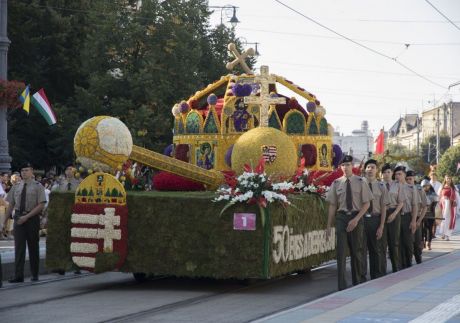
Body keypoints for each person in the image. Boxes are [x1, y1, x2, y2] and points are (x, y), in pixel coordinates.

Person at [326, 155, 372, 290]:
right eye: (343, 165)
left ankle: (356, 282)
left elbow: (367, 203)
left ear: (352, 166)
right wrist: (329, 224)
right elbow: (333, 205)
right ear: (340, 167)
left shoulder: (361, 181)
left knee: (356, 251)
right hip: (341, 218)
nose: (345, 168)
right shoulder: (336, 183)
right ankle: (341, 285)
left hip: (356, 217)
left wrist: (356, 219)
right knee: (340, 252)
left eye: (348, 165)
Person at [4, 163, 47, 283]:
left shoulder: (38, 186)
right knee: (19, 247)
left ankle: (34, 273)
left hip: (32, 218)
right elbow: (11, 204)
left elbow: (41, 204)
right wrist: (4, 221)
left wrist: (27, 216)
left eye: (26, 170)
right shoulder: (16, 186)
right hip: (18, 217)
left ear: (32, 171)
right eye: (22, 170)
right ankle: (18, 275)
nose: (23, 172)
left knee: (33, 246)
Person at [363, 159, 389, 279]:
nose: (370, 169)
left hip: (375, 219)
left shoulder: (381, 186)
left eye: (373, 167)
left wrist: (381, 226)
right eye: (368, 167)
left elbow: (384, 207)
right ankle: (361, 277)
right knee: (361, 250)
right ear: (365, 169)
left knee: (375, 250)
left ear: (376, 170)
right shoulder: (359, 184)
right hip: (362, 220)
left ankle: (376, 276)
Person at [395, 166, 420, 269]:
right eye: (396, 174)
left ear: (405, 175)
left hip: (407, 217)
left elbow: (415, 205)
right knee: (398, 242)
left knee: (408, 242)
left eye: (400, 174)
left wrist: (414, 221)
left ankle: (408, 265)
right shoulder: (393, 186)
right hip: (396, 217)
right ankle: (400, 265)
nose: (397, 176)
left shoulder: (411, 188)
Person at [381, 163, 404, 273]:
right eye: (384, 172)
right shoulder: (379, 185)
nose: (386, 174)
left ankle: (396, 268)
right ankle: (383, 270)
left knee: (394, 242)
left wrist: (394, 214)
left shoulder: (397, 185)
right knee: (382, 243)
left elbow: (401, 202)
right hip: (382, 214)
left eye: (388, 172)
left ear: (392, 173)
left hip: (394, 212)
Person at [406, 171, 427, 264]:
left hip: (417, 218)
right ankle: (408, 262)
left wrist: (419, 220)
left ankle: (419, 261)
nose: (408, 181)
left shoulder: (419, 189)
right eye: (406, 179)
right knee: (408, 243)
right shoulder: (404, 188)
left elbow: (425, 206)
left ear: (414, 179)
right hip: (406, 217)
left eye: (410, 179)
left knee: (417, 243)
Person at [438, 175, 457, 241]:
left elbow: (457, 198)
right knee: (444, 219)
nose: (448, 180)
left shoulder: (454, 188)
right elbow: (439, 196)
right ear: (445, 179)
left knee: (449, 220)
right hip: (443, 206)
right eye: (447, 178)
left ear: (451, 179)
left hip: (451, 206)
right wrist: (443, 199)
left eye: (449, 178)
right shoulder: (442, 187)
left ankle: (447, 235)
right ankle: (443, 233)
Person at [421, 179, 437, 250]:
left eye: (427, 186)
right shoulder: (419, 193)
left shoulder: (433, 194)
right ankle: (422, 242)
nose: (426, 187)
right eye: (424, 186)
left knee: (429, 229)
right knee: (422, 229)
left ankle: (428, 242)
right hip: (421, 214)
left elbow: (434, 205)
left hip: (430, 214)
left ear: (429, 186)